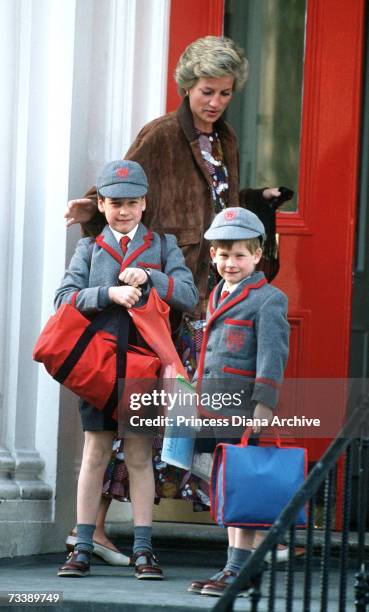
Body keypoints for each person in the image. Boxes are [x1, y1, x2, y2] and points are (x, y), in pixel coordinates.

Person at [63, 35, 284, 561]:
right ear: (187, 86)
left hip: (205, 293)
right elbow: (124, 190)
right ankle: (89, 529)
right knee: (130, 413)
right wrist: (91, 214)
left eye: (226, 93)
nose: (215, 102)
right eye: (207, 91)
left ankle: (242, 529)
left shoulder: (226, 139)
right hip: (155, 297)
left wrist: (258, 203)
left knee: (185, 412)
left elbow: (220, 206)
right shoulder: (161, 135)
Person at [56, 160, 198, 579]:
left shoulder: (163, 245)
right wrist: (107, 293)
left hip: (144, 367)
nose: (124, 211)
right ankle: (82, 546)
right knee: (95, 454)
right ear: (101, 204)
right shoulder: (90, 248)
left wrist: (152, 276)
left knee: (138, 456)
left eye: (132, 203)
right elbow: (64, 299)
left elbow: (187, 294)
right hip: (97, 367)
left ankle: (142, 549)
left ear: (144, 203)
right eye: (115, 203)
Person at [187, 207, 289, 597]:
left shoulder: (268, 299)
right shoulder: (217, 294)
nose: (231, 263)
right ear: (213, 255)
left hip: (243, 410)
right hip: (211, 408)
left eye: (240, 255)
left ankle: (237, 570)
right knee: (227, 491)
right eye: (224, 255)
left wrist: (264, 405)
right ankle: (234, 567)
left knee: (241, 488)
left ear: (258, 255)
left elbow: (273, 354)